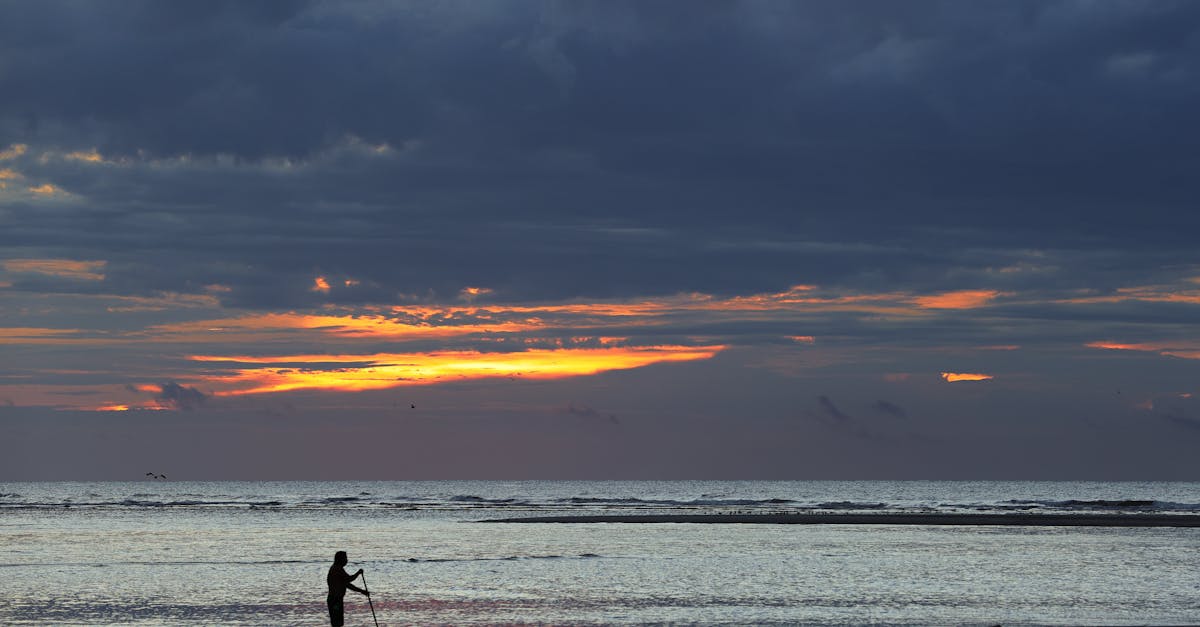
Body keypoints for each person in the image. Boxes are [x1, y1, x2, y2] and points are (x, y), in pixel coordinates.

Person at [327, 550, 369, 626]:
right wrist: (358, 573)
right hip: (335, 600)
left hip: (336, 599)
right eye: (345, 558)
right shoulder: (337, 569)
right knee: (337, 623)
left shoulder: (337, 568)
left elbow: (347, 584)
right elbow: (349, 579)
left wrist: (361, 591)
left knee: (338, 622)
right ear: (340, 559)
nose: (347, 560)